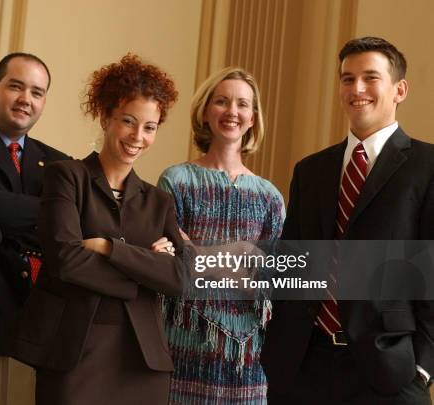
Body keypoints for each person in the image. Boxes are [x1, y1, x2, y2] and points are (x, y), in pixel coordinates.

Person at [261, 37, 434, 405]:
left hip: (389, 372)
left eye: (370, 77)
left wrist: (423, 367)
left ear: (399, 89)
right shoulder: (310, 170)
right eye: (347, 78)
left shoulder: (427, 166)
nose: (357, 89)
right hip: (302, 367)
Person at [12, 54, 185, 405]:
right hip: (74, 350)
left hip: (142, 362)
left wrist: (108, 248)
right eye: (128, 121)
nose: (138, 136)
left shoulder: (160, 201)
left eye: (150, 127)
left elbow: (179, 279)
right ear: (105, 117)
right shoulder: (66, 177)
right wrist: (145, 272)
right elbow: (64, 259)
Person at [158, 67, 285, 404]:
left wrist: (202, 256)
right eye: (222, 102)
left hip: (249, 357)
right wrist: (240, 254)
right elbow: (175, 261)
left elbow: (272, 277)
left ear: (253, 117)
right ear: (205, 111)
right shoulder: (176, 181)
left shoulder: (270, 196)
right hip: (184, 345)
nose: (232, 112)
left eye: (243, 104)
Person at [0, 53, 70, 404]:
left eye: (37, 92)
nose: (26, 99)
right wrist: (53, 213)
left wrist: (7, 212)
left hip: (42, 326)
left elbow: (71, 231)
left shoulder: (59, 163)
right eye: (16, 86)